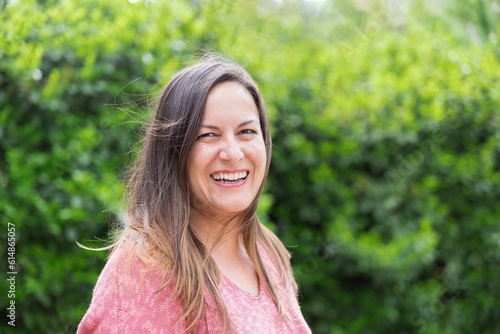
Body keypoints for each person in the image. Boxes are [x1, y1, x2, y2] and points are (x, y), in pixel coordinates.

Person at [77, 54, 311, 333]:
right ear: (175, 150)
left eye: (246, 131)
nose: (233, 153)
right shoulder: (146, 269)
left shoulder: (268, 254)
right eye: (208, 135)